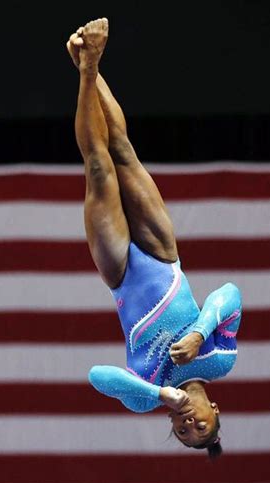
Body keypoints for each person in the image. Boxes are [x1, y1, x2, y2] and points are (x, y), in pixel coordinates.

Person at [66, 18, 242, 458]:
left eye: (184, 433)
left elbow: (97, 375)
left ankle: (89, 69)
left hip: (122, 273)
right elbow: (230, 294)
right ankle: (89, 64)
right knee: (123, 150)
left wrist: (162, 395)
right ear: (214, 408)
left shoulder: (146, 393)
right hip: (163, 258)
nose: (187, 424)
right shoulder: (219, 360)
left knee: (99, 169)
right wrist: (201, 332)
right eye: (200, 425)